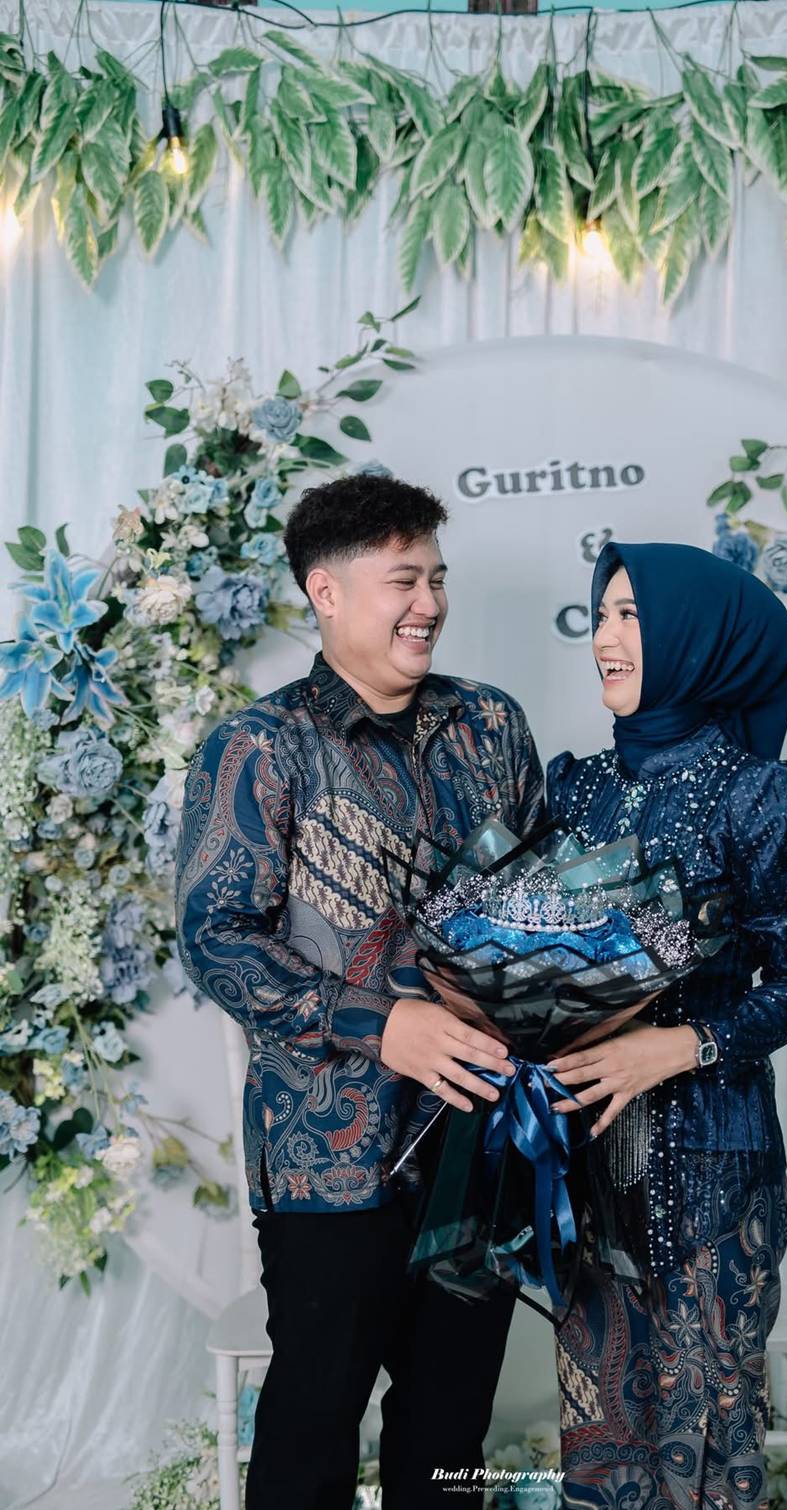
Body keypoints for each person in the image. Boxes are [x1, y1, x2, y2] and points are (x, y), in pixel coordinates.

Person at [174, 473, 544, 1510]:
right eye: (403, 580)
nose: (429, 602)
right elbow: (217, 937)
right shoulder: (260, 746)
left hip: (479, 1144)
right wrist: (385, 1025)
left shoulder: (491, 725)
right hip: (328, 1156)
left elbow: (540, 906)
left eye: (437, 578)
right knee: (311, 1426)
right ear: (326, 593)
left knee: (452, 1431)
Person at [542, 540, 787, 1509]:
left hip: (713, 1158)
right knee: (602, 1423)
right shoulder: (575, 788)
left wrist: (678, 1045)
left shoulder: (755, 795)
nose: (607, 637)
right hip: (591, 1154)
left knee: (705, 1428)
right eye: (602, 614)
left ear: (695, 638)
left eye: (633, 616)